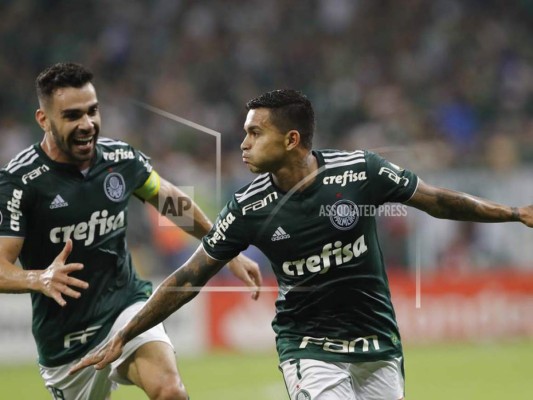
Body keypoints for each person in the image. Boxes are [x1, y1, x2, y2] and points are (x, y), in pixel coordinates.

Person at [70, 89, 533, 400]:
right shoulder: (249, 206)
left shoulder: (360, 172)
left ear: (291, 140)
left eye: (255, 133)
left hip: (378, 345)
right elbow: (189, 276)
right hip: (310, 348)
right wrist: (125, 335)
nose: (243, 143)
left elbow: (438, 201)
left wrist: (512, 212)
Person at [0, 62, 261, 400]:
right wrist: (39, 279)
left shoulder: (120, 159)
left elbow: (169, 200)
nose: (87, 124)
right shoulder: (19, 182)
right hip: (65, 340)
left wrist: (223, 248)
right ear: (43, 120)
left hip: (125, 307)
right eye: (72, 116)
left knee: (170, 391)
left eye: (92, 111)